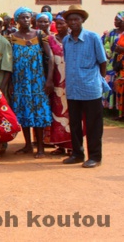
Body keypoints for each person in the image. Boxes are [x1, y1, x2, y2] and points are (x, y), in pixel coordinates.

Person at [62, 5, 108, 168]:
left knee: (93, 124)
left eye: (76, 19)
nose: (73, 22)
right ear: (66, 22)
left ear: (82, 20)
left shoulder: (93, 37)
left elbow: (102, 62)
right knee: (74, 123)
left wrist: (99, 80)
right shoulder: (66, 40)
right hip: (73, 89)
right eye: (70, 20)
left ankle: (95, 157)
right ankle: (77, 154)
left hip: (90, 89)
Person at [10, 7, 54, 159]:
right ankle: (28, 145)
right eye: (23, 18)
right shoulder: (12, 37)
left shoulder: (40, 35)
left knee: (38, 113)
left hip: (37, 81)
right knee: (24, 112)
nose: (26, 20)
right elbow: (9, 62)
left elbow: (51, 58)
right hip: (20, 82)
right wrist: (10, 83)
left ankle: (40, 147)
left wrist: (49, 80)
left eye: (28, 17)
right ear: (17, 20)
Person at [47, 12, 72, 154]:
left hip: (71, 81)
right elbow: (50, 61)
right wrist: (49, 79)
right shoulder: (51, 39)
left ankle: (72, 145)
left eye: (62, 23)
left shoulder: (72, 39)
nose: (59, 25)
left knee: (71, 113)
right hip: (56, 81)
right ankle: (60, 145)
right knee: (57, 112)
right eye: (57, 23)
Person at [101, 11, 124, 112]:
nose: (115, 22)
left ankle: (119, 108)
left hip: (122, 62)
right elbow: (101, 42)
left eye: (117, 20)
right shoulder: (111, 32)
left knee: (120, 84)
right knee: (109, 82)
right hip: (112, 61)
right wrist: (106, 52)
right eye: (114, 20)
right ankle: (110, 106)